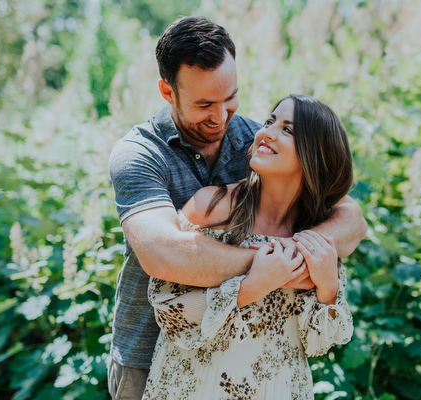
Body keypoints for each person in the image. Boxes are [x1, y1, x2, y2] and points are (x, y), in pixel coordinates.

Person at [108, 17, 367, 400]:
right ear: (168, 91)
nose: (221, 116)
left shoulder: (257, 139)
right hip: (150, 355)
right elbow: (163, 253)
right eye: (204, 104)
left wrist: (305, 264)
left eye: (230, 97)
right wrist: (274, 266)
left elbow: (351, 218)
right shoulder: (139, 154)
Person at [142, 94, 355, 399]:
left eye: (288, 130)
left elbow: (322, 344)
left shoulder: (317, 235)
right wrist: (251, 287)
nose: (266, 131)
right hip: (197, 386)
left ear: (317, 157)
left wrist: (328, 288)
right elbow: (168, 311)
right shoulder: (211, 208)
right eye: (270, 121)